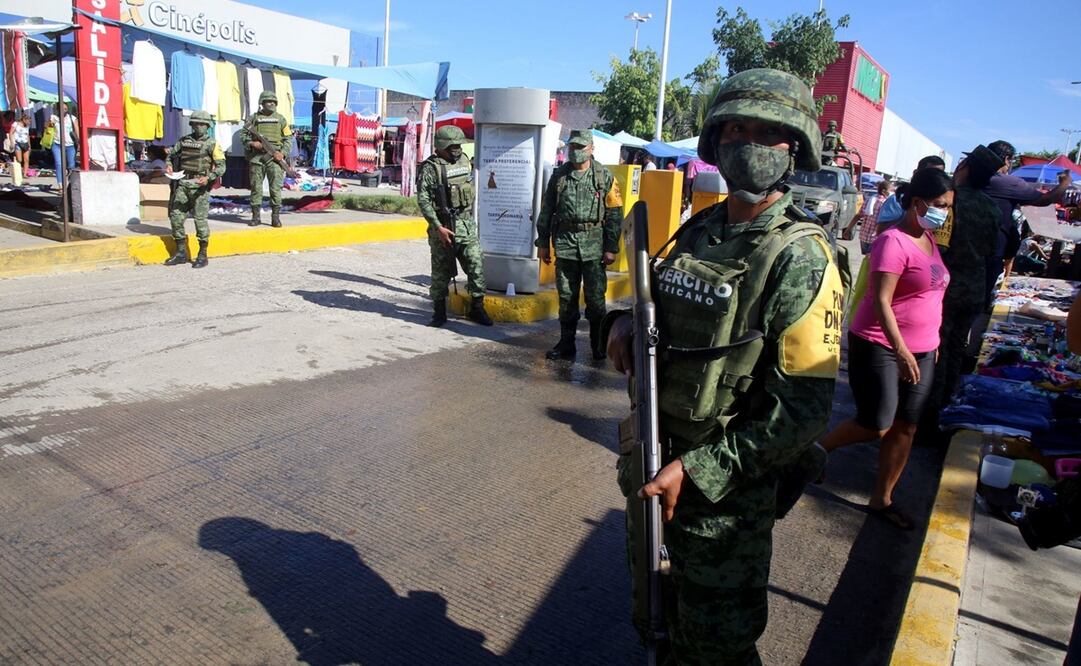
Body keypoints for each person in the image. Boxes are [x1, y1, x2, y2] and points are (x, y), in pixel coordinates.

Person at [604, 68, 843, 664]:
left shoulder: (801, 256)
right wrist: (623, 325)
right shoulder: (699, 230)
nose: (750, 144)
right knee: (655, 621)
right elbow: (650, 305)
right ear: (715, 141)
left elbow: (802, 413)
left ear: (795, 149)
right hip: (654, 464)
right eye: (737, 128)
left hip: (722, 498)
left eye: (769, 133)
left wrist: (702, 469)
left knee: (716, 649)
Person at [821, 168, 954, 530]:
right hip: (880, 343)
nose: (944, 213)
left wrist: (934, 341)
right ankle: (816, 452)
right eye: (940, 205)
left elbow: (932, 295)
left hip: (925, 349)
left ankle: (882, 499)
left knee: (906, 426)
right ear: (917, 203)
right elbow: (880, 301)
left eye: (948, 206)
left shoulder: (929, 239)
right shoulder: (891, 242)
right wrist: (901, 349)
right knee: (876, 423)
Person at [919, 145, 1004, 441]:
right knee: (956, 351)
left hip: (945, 286)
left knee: (936, 351)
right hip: (975, 286)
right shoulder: (992, 208)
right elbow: (993, 251)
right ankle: (945, 411)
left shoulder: (951, 201)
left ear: (966, 166)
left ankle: (926, 418)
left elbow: (932, 244)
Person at [536, 129, 622, 361]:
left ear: (592, 148)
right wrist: (543, 242)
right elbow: (547, 210)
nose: (575, 152)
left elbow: (614, 214)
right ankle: (566, 344)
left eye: (580, 147)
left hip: (594, 244)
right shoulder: (559, 176)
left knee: (595, 298)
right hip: (565, 243)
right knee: (566, 297)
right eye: (572, 147)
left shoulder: (604, 177)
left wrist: (611, 247)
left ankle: (598, 344)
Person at [416, 125, 492, 327]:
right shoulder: (430, 168)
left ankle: (477, 307)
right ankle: (439, 313)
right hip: (443, 228)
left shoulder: (465, 161)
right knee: (441, 272)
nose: (456, 149)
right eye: (452, 146)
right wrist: (437, 227)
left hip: (466, 225)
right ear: (440, 147)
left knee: (476, 267)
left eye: (458, 145)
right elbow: (423, 201)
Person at [983, 140, 1072, 306]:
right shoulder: (1007, 183)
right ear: (1007, 159)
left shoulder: (973, 180)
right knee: (975, 303)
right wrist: (1064, 184)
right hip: (990, 253)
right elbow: (1046, 199)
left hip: (966, 251)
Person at [162, 110, 226, 269]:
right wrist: (169, 165)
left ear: (207, 126)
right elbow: (171, 155)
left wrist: (209, 177)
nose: (199, 127)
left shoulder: (212, 143)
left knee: (200, 221)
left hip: (200, 187)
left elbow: (221, 166)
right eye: (196, 124)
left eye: (202, 124)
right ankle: (181, 253)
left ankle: (202, 255)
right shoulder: (184, 141)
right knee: (176, 217)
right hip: (184, 184)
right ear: (192, 125)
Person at [240, 90, 293, 228]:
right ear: (262, 103)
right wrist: (252, 143)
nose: (271, 103)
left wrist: (283, 153)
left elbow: (288, 139)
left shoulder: (281, 119)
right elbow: (243, 135)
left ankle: (275, 217)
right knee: (256, 188)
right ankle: (255, 216)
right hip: (257, 158)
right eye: (268, 101)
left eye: (273, 101)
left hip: (275, 159)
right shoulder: (253, 118)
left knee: (275, 188)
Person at [843, 179, 891, 252]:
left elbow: (858, 216)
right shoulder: (886, 204)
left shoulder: (869, 200)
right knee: (872, 261)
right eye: (889, 190)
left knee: (866, 260)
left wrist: (848, 230)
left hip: (863, 237)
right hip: (875, 239)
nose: (890, 193)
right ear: (884, 191)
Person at [49, 103, 79, 187]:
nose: (64, 110)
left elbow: (77, 131)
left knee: (71, 165)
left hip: (70, 145)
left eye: (66, 108)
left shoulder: (72, 118)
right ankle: (60, 185)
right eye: (62, 108)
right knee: (59, 164)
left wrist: (79, 142)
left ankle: (70, 184)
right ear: (58, 109)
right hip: (57, 144)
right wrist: (50, 124)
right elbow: (47, 128)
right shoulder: (53, 117)